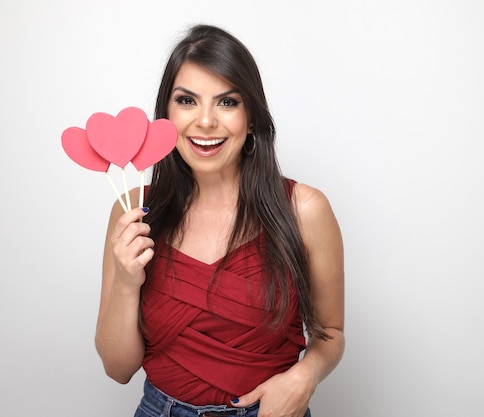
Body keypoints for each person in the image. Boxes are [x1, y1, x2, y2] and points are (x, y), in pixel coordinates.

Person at [95, 24, 344, 417]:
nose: (206, 121)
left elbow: (330, 334)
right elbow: (117, 368)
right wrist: (126, 283)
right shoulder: (133, 211)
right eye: (187, 101)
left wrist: (305, 376)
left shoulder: (305, 209)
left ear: (251, 117)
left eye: (227, 102)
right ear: (166, 115)